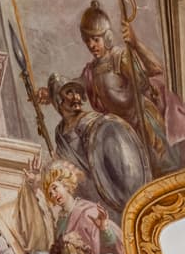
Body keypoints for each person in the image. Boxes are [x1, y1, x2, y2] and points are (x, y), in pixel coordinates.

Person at [75, 0, 185, 178]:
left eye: (95, 39)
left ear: (107, 37)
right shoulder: (91, 72)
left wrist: (134, 43)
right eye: (88, 41)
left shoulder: (120, 57)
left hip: (144, 124)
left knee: (166, 170)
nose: (91, 45)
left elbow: (155, 69)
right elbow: (76, 85)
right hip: (123, 133)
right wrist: (52, 91)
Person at [47, 77, 147, 214]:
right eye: (69, 92)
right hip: (87, 199)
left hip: (109, 192)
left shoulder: (95, 122)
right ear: (59, 100)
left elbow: (116, 162)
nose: (76, 97)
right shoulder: (59, 134)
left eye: (77, 92)